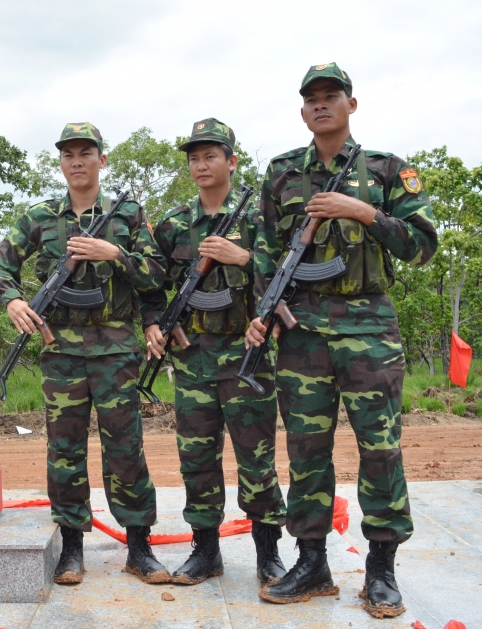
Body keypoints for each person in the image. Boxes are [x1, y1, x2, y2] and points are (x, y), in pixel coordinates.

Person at [247, 63, 437, 617]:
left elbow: (422, 246)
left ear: (352, 104)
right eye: (312, 99)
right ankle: (312, 563)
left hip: (369, 326)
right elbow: (263, 249)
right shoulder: (282, 173)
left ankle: (381, 569)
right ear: (302, 110)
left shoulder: (386, 170)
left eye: (332, 96)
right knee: (307, 453)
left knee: (380, 449)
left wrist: (363, 211)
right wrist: (270, 302)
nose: (321, 105)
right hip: (301, 330)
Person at [0, 122, 171, 586]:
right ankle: (72, 547)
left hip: (115, 351)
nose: (77, 161)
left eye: (86, 153)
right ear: (62, 162)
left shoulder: (127, 213)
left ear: (101, 160)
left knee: (125, 447)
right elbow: (1, 264)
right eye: (68, 154)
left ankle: (138, 546)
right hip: (62, 353)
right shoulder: (41, 216)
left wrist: (116, 254)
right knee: (64, 450)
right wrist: (12, 300)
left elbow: (156, 278)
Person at [143, 118, 288, 587]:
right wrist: (156, 323)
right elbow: (148, 281)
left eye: (211, 155)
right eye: (194, 158)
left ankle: (269, 555)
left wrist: (244, 257)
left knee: (257, 458)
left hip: (249, 358)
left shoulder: (257, 219)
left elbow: (290, 272)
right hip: (193, 362)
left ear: (232, 160)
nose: (201, 165)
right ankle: (205, 552)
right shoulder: (174, 224)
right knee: (197, 460)